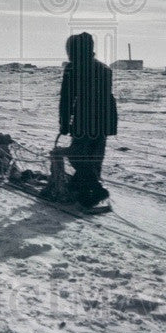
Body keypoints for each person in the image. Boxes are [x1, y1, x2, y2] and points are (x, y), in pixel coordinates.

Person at [58, 32, 117, 209]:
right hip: (104, 119)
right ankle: (80, 186)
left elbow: (67, 99)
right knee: (95, 155)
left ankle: (94, 190)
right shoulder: (104, 68)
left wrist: (64, 124)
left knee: (78, 155)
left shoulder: (72, 68)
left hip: (85, 119)